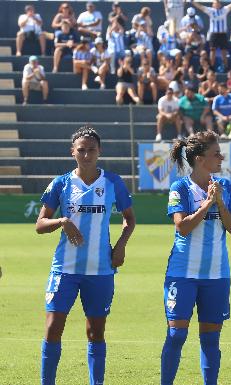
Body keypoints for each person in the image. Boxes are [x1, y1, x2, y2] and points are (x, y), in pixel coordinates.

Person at [36, 126, 135, 385]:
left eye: (91, 150)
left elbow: (130, 220)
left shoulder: (113, 182)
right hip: (65, 268)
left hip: (100, 270)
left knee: (95, 332)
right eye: (81, 150)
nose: (87, 154)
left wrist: (121, 245)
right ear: (73, 152)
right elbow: (40, 224)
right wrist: (61, 221)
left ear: (99, 151)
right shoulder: (61, 183)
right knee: (52, 327)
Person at [161, 131, 231, 385]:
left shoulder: (224, 186)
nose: (221, 157)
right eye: (216, 153)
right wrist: (206, 205)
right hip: (183, 273)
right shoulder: (180, 187)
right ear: (199, 158)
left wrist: (220, 203)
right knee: (176, 335)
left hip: (217, 274)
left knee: (211, 339)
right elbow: (181, 227)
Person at [192, 0, 231, 71]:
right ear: (213, 5)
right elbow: (200, 7)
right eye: (215, 3)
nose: (216, 4)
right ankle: (211, 67)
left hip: (222, 34)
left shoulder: (224, 10)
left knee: (224, 51)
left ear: (220, 4)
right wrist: (192, 1)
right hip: (214, 34)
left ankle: (226, 66)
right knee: (212, 50)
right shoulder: (211, 11)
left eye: (218, 3)